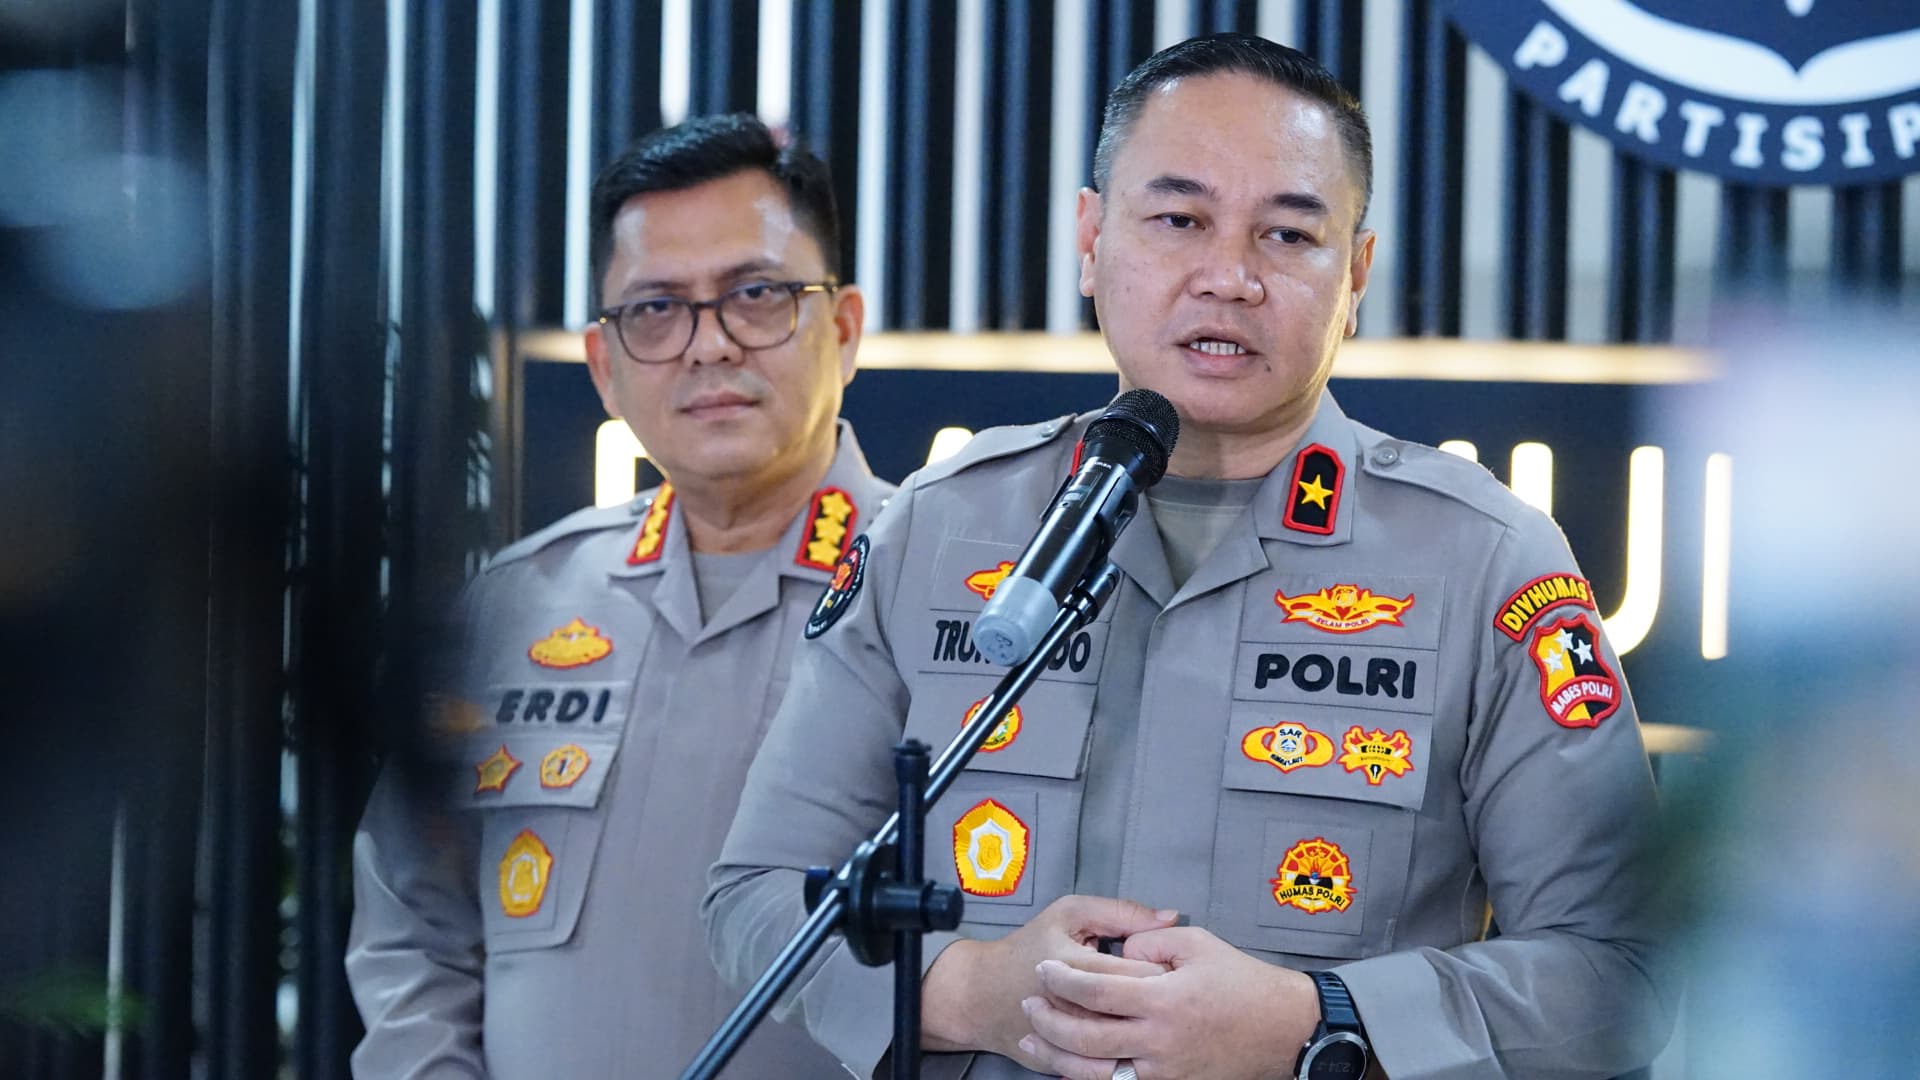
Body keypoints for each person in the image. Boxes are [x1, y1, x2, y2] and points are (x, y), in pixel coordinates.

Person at [706, 35, 1676, 1080]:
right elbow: (758, 896)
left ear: (1354, 274)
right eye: (1179, 220)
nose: (1229, 278)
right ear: (1091, 239)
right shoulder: (937, 529)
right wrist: (970, 991)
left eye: (1288, 235)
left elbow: (1627, 971)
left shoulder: (1484, 559)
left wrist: (1317, 1022)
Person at [345, 114, 889, 1079]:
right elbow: (412, 927)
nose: (708, 345)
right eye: (656, 309)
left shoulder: (944, 598)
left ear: (842, 329)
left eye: (755, 294)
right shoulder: (514, 608)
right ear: (605, 367)